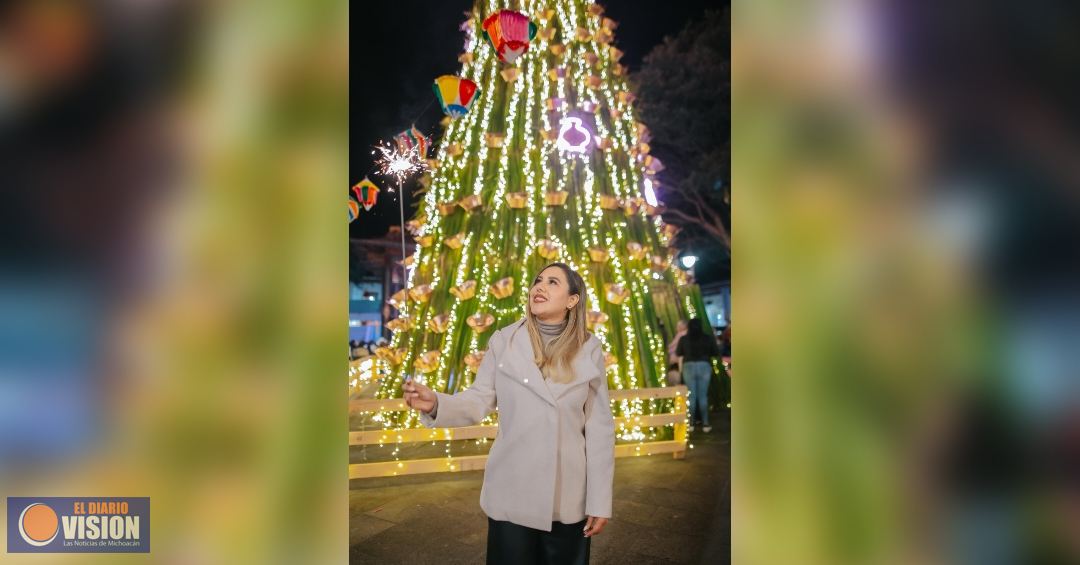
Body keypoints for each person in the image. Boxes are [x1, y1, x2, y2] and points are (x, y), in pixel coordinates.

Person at [402, 262, 615, 565]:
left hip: (568, 494)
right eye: (538, 281)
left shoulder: (589, 348)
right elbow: (479, 399)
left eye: (553, 282)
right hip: (513, 489)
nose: (539, 287)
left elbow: (599, 428)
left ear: (572, 300)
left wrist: (599, 500)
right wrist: (436, 403)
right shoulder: (504, 340)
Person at [675, 318, 722, 433]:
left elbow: (678, 353)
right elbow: (715, 352)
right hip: (704, 366)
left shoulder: (684, 339)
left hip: (688, 366)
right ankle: (705, 424)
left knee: (691, 397)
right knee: (703, 396)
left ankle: (691, 424)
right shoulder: (708, 338)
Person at [665, 320, 688, 385]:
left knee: (677, 380)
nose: (677, 328)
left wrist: (667, 348)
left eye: (678, 326)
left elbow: (674, 347)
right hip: (683, 361)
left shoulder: (682, 334)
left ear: (683, 326)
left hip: (678, 361)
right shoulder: (687, 334)